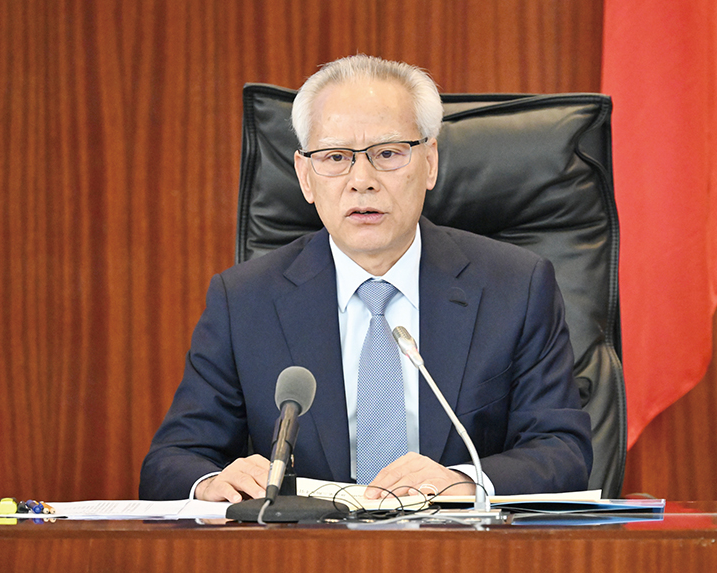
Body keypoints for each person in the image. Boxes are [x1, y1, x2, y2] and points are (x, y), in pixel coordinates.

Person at [139, 55, 592, 503]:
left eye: (388, 153)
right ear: (305, 176)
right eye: (335, 156)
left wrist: (464, 481)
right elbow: (172, 461)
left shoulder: (515, 287)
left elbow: (562, 450)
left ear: (430, 162)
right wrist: (212, 482)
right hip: (308, 543)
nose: (362, 180)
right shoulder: (244, 300)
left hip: (455, 540)